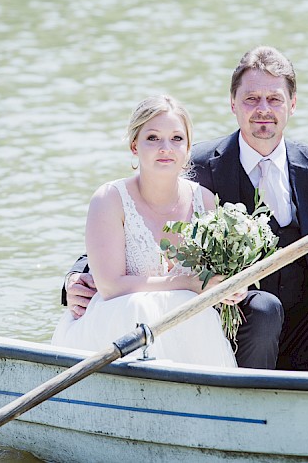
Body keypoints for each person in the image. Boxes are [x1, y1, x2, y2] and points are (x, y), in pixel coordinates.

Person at [64, 47, 308, 370]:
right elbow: (132, 224)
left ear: (292, 104)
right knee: (265, 308)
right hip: (239, 326)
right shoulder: (197, 166)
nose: (262, 109)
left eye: (274, 99)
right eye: (251, 99)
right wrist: (77, 277)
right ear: (233, 104)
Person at [51, 95, 236, 367]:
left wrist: (230, 287)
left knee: (195, 312)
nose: (165, 148)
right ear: (134, 145)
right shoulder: (110, 199)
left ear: (187, 148)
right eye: (152, 138)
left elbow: (215, 276)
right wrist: (187, 283)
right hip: (119, 321)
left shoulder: (205, 201)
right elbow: (111, 285)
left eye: (176, 139)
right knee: (141, 308)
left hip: (188, 330)